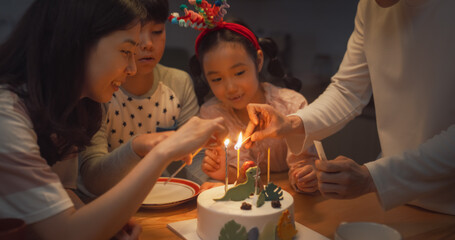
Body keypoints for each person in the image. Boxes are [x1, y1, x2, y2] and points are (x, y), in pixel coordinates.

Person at [0, 0, 227, 239]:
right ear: (78, 43)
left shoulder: (67, 110)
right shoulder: (7, 118)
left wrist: (103, 224)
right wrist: (163, 152)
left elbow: (63, 192)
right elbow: (67, 233)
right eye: (126, 51)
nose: (131, 68)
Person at [244, 0, 455, 215]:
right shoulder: (370, 6)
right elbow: (348, 90)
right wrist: (291, 122)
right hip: (393, 198)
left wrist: (375, 178)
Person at [78, 0, 202, 198]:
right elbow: (92, 177)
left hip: (161, 198)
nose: (148, 44)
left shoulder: (178, 83)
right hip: (103, 205)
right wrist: (137, 146)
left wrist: (208, 184)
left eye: (158, 31)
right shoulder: (99, 90)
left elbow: (193, 154)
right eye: (136, 35)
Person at [188, 20, 319, 193]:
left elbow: (305, 165)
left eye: (239, 73)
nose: (231, 88)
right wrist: (225, 171)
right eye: (217, 79)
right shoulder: (212, 114)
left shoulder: (292, 105)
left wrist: (305, 177)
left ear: (258, 61)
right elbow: (241, 174)